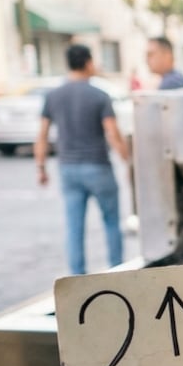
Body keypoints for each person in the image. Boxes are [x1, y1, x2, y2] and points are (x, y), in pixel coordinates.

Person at [35, 44, 132, 275]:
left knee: (74, 228)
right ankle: (117, 273)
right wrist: (127, 160)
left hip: (68, 169)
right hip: (98, 167)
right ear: (88, 63)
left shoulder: (53, 96)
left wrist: (41, 167)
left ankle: (77, 278)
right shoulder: (99, 95)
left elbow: (42, 135)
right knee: (111, 222)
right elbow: (112, 133)